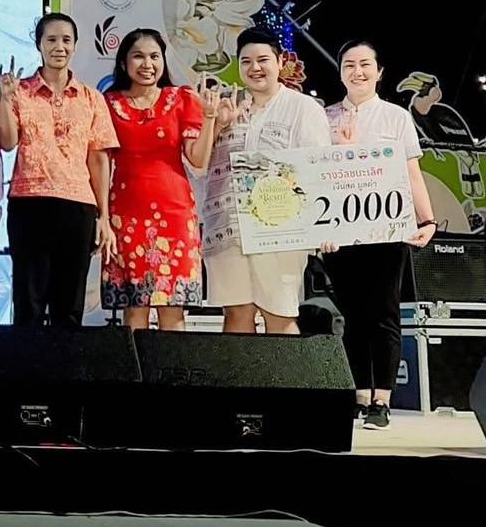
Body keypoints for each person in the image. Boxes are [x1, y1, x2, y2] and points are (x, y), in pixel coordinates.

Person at [324, 39, 437, 429]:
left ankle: (382, 400)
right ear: (340, 72)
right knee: (353, 315)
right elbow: (316, 176)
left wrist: (427, 220)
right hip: (340, 232)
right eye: (349, 64)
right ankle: (359, 394)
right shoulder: (324, 117)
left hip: (389, 230)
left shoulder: (396, 117)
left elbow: (412, 173)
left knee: (385, 313)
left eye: (365, 64)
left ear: (379, 72)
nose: (357, 71)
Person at [203, 27, 333, 335]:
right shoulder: (226, 106)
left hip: (281, 229)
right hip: (228, 227)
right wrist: (216, 124)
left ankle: (282, 371)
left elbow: (318, 167)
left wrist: (323, 227)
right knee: (236, 313)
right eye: (246, 61)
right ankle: (240, 371)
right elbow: (199, 163)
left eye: (263, 60)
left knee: (280, 313)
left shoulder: (303, 107)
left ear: (280, 62)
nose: (255, 68)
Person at [0, 12, 118, 328]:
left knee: (69, 306)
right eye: (51, 39)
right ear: (39, 44)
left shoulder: (91, 98)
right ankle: (28, 360)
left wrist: (103, 216)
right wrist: (5, 101)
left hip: (78, 206)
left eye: (66, 40)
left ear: (75, 45)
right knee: (29, 304)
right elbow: (7, 142)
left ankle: (65, 362)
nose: (59, 47)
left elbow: (98, 159)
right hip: (29, 203)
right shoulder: (20, 91)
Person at [101, 28, 220, 330]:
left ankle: (171, 364)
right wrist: (102, 217)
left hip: (174, 215)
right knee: (134, 309)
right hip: (126, 214)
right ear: (124, 62)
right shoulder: (108, 104)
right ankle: (136, 364)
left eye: (155, 56)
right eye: (138, 56)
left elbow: (198, 159)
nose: (147, 64)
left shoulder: (181, 99)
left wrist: (209, 118)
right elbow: (99, 163)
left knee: (173, 310)